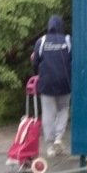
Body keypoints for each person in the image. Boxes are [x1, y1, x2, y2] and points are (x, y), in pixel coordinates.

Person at [31, 15, 71, 157]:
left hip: (46, 83)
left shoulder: (41, 41)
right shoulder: (67, 40)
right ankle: (59, 138)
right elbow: (73, 60)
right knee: (63, 109)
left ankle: (49, 146)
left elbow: (35, 62)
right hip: (65, 82)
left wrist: (38, 74)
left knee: (48, 114)